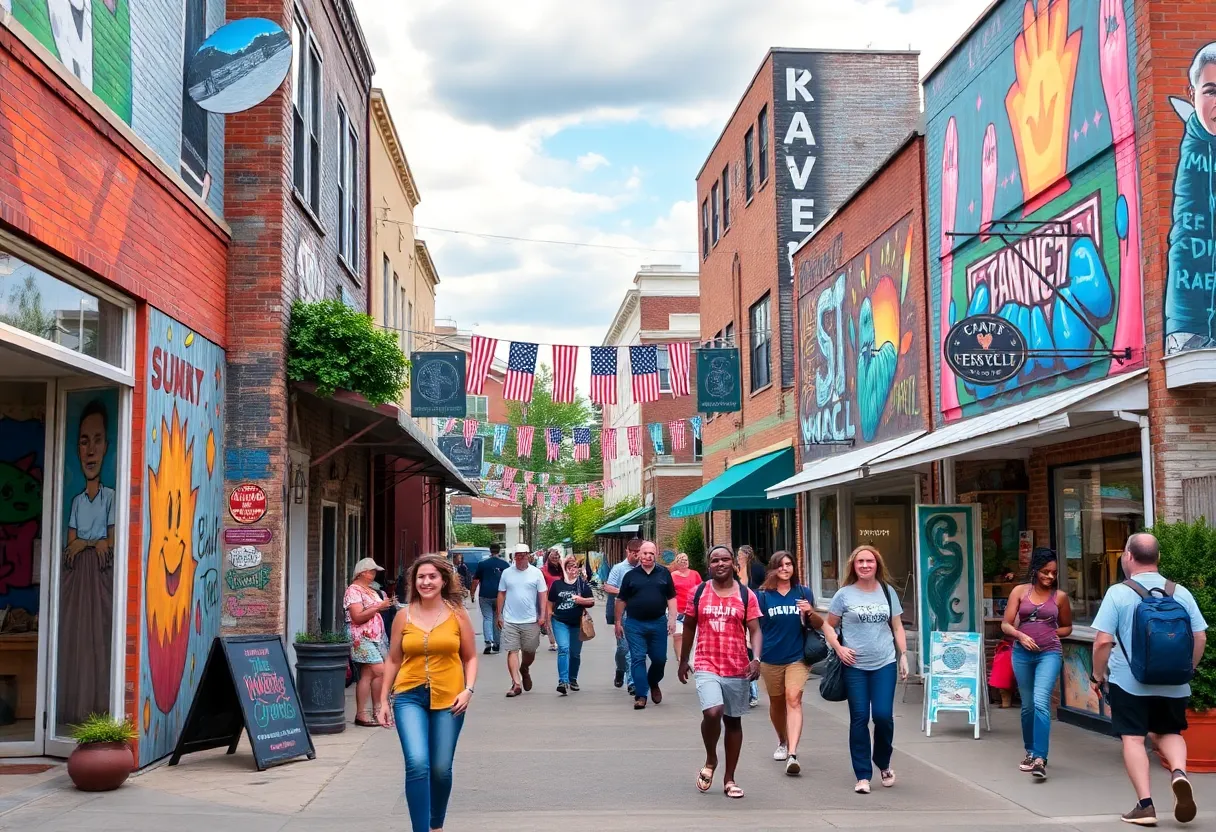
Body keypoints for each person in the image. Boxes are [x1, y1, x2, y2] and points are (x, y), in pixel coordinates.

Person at [1091, 533, 1208, 826]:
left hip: (1129, 681)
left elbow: (1102, 642)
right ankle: (1179, 773)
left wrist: (1097, 675)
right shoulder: (1179, 592)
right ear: (1157, 558)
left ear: (1128, 556)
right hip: (1174, 681)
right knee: (1170, 732)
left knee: (1133, 737)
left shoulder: (1118, 593)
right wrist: (1187, 669)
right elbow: (1199, 636)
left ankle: (1145, 806)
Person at [378, 555, 478, 832]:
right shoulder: (403, 615)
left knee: (440, 768)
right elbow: (393, 659)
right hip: (408, 695)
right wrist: (383, 699)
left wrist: (468, 690)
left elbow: (470, 657)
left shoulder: (458, 614)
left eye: (432, 576)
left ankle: (436, 825)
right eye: (421, 577)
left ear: (443, 580)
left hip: (450, 697)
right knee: (418, 763)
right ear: (414, 581)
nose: (426, 581)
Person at [678, 545, 762, 800]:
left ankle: (730, 778)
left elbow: (756, 630)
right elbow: (690, 626)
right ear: (709, 565)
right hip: (706, 663)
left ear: (734, 564)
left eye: (726, 559)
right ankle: (711, 758)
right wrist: (684, 660)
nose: (721, 563)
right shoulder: (699, 592)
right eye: (715, 560)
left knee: (733, 721)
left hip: (737, 666)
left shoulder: (747, 595)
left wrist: (756, 658)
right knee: (713, 711)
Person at [824, 545, 910, 794]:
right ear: (853, 565)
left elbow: (897, 626)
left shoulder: (887, 591)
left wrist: (903, 655)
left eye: (869, 561)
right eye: (860, 561)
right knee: (859, 718)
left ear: (877, 564)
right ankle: (862, 775)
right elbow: (829, 626)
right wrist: (839, 648)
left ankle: (883, 762)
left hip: (884, 662)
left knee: (883, 716)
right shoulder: (844, 594)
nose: (864, 565)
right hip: (854, 666)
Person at [60, 398, 117, 725]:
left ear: (107, 446)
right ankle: (74, 707)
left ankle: (98, 706)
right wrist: (87, 543)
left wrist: (86, 543)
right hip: (79, 577)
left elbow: (109, 542)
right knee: (76, 637)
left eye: (97, 440)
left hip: (101, 576)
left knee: (101, 636)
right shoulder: (77, 500)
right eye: (84, 441)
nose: (91, 450)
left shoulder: (109, 496)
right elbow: (70, 545)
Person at [1000, 548, 1073, 779]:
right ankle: (1030, 751)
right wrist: (1021, 636)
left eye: (1053, 573)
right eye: (1045, 572)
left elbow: (1067, 627)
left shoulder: (1059, 597)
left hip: (1049, 653)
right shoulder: (1020, 592)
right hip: (1022, 653)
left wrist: (1052, 634)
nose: (1050, 577)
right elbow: (1006, 624)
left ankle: (1040, 757)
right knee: (1028, 705)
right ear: (1035, 570)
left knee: (1041, 701)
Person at [756, 550, 823, 775]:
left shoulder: (803, 592)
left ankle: (793, 754)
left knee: (793, 699)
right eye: (780, 565)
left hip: (797, 657)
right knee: (776, 704)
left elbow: (815, 624)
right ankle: (782, 741)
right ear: (773, 569)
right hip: (770, 657)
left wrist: (809, 611)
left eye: (789, 564)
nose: (785, 569)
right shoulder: (763, 596)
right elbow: (755, 629)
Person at [616, 540, 678, 709]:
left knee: (659, 659)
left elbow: (671, 597)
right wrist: (618, 622)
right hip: (635, 624)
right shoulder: (631, 576)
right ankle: (641, 695)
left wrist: (672, 619)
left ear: (655, 555)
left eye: (651, 553)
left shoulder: (664, 573)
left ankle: (653, 681)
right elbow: (621, 600)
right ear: (639, 555)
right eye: (645, 553)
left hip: (658, 623)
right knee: (637, 658)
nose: (648, 556)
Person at [344, 558, 396, 727]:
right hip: (361, 636)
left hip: (376, 637)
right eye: (372, 571)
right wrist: (378, 607)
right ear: (362, 573)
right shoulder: (353, 591)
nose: (374, 574)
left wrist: (386, 605)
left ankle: (373, 711)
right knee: (380, 670)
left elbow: (377, 609)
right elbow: (357, 617)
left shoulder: (371, 590)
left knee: (368, 674)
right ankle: (368, 711)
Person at [496, 543, 548, 697]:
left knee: (529, 651)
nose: (520, 557)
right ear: (514, 557)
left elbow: (543, 594)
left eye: (523, 555)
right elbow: (501, 594)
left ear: (528, 556)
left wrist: (542, 615)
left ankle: (524, 668)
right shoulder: (506, 573)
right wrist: (499, 615)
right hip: (510, 619)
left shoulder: (536, 573)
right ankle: (516, 684)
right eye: (517, 555)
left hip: (530, 619)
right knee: (512, 650)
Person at [548, 554, 594, 694]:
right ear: (564, 569)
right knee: (563, 648)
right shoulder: (557, 584)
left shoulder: (582, 584)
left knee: (574, 654)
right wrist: (549, 614)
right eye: (569, 567)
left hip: (576, 623)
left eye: (575, 567)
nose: (572, 570)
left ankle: (572, 678)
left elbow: (591, 601)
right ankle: (563, 681)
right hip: (560, 621)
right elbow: (550, 602)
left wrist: (579, 600)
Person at [604, 539, 641, 692]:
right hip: (623, 613)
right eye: (634, 554)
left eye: (639, 553)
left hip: (639, 614)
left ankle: (632, 682)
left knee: (634, 650)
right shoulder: (619, 568)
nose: (637, 557)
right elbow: (608, 587)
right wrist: (624, 592)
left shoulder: (645, 568)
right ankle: (620, 670)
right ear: (628, 552)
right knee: (623, 649)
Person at [736, 545, 766, 706]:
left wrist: (757, 593)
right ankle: (747, 691)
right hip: (740, 610)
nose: (738, 557)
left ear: (747, 555)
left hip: (752, 609)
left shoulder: (757, 568)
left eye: (740, 555)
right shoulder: (737, 569)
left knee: (748, 648)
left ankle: (752, 692)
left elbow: (764, 583)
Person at [470, 543, 508, 654]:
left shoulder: (482, 564)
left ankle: (488, 641)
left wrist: (472, 593)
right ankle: (497, 643)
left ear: (490, 551)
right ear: (499, 551)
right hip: (500, 595)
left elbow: (475, 580)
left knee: (487, 618)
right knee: (497, 617)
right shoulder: (505, 564)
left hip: (485, 594)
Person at [670, 552, 703, 664]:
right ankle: (680, 658)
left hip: (692, 609)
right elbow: (669, 593)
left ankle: (690, 659)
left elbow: (701, 588)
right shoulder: (673, 575)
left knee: (692, 636)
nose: (684, 562)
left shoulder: (695, 574)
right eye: (681, 560)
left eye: (686, 560)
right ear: (677, 562)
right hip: (678, 609)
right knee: (678, 635)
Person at [543, 548, 564, 652]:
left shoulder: (563, 569)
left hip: (562, 598)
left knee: (561, 619)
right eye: (553, 557)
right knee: (549, 619)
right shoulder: (543, 570)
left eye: (557, 557)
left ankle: (561, 640)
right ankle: (553, 642)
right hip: (548, 598)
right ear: (548, 558)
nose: (555, 559)